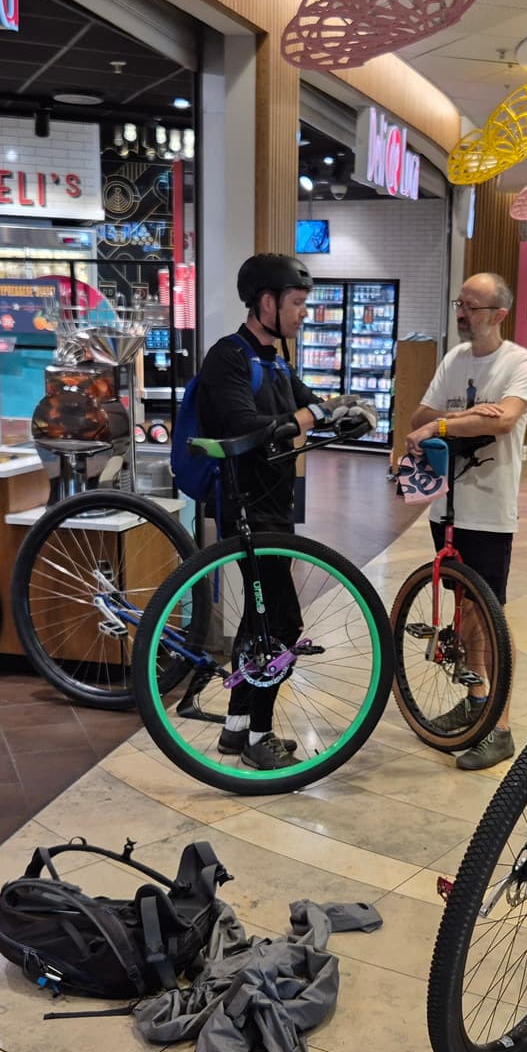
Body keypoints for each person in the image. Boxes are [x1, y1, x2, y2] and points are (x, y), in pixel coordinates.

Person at [194, 253, 376, 770]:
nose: (304, 313)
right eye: (297, 303)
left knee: (259, 621)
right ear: (266, 302)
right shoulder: (228, 357)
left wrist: (346, 413)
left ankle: (235, 730)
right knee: (282, 625)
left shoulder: (275, 359)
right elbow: (246, 426)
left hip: (275, 506)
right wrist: (313, 413)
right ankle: (259, 736)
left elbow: (309, 408)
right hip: (244, 508)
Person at [405, 272, 527, 771]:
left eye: (473, 307)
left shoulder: (518, 361)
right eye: (459, 303)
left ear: (499, 314)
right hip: (446, 505)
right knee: (464, 612)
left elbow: (504, 419)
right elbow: (417, 418)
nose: (462, 314)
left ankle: (499, 728)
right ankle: (476, 700)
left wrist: (447, 422)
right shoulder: (455, 358)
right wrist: (466, 418)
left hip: (489, 510)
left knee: (490, 615)